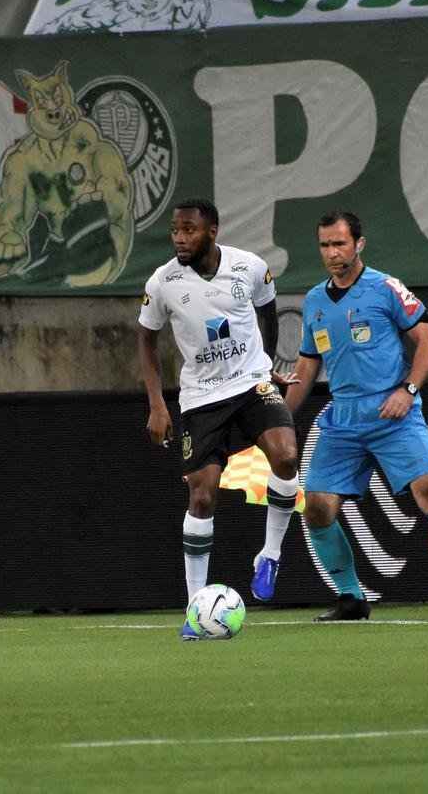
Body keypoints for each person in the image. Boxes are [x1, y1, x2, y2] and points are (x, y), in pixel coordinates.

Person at [282, 211, 428, 621]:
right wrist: (277, 416)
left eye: (340, 243)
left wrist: (408, 389)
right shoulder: (313, 301)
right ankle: (351, 598)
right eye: (325, 245)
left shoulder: (385, 288)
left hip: (392, 411)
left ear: (359, 243)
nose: (332, 252)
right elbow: (307, 367)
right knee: (317, 508)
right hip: (343, 418)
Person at [138, 198, 301, 640]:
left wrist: (265, 364)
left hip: (251, 384)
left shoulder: (249, 266)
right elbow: (147, 343)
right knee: (203, 497)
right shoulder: (163, 282)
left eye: (188, 230)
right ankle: (195, 609)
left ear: (212, 231)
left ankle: (269, 554)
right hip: (201, 397)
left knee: (286, 456)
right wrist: (157, 404)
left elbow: (268, 309)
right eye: (175, 231)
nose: (179, 238)